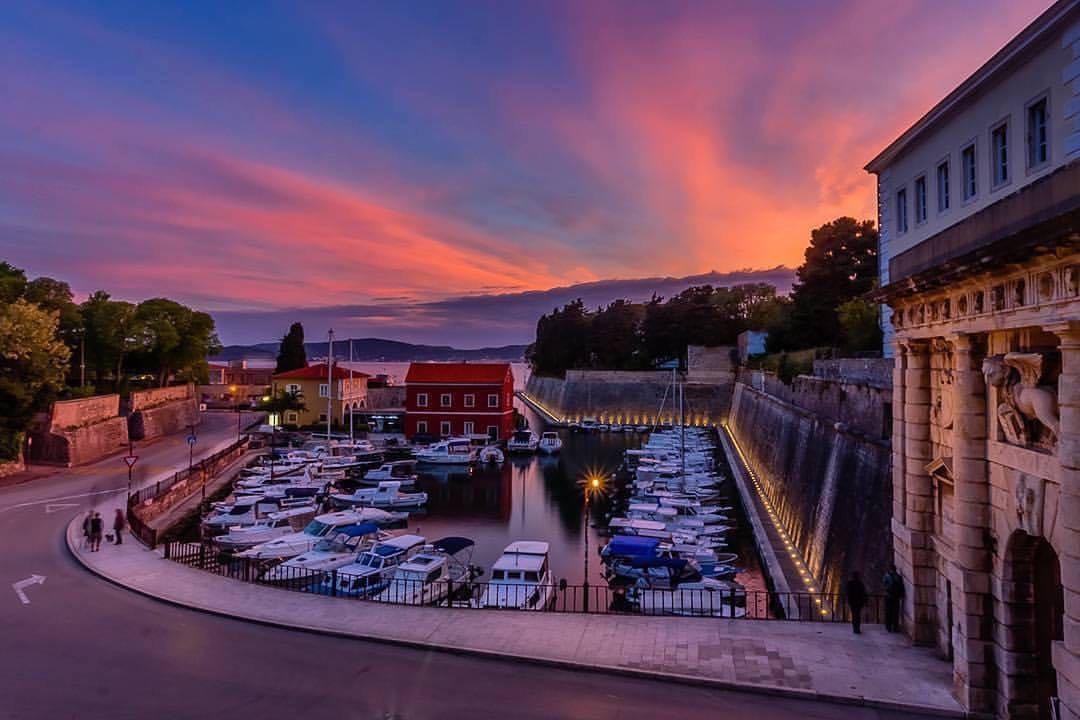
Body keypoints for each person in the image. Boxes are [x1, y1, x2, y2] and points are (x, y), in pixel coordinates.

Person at [883, 565, 905, 633]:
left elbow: (884, 584)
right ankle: (895, 627)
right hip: (895, 597)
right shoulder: (898, 577)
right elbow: (901, 586)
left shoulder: (887, 576)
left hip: (889, 596)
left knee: (888, 612)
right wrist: (901, 594)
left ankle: (888, 626)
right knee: (895, 612)